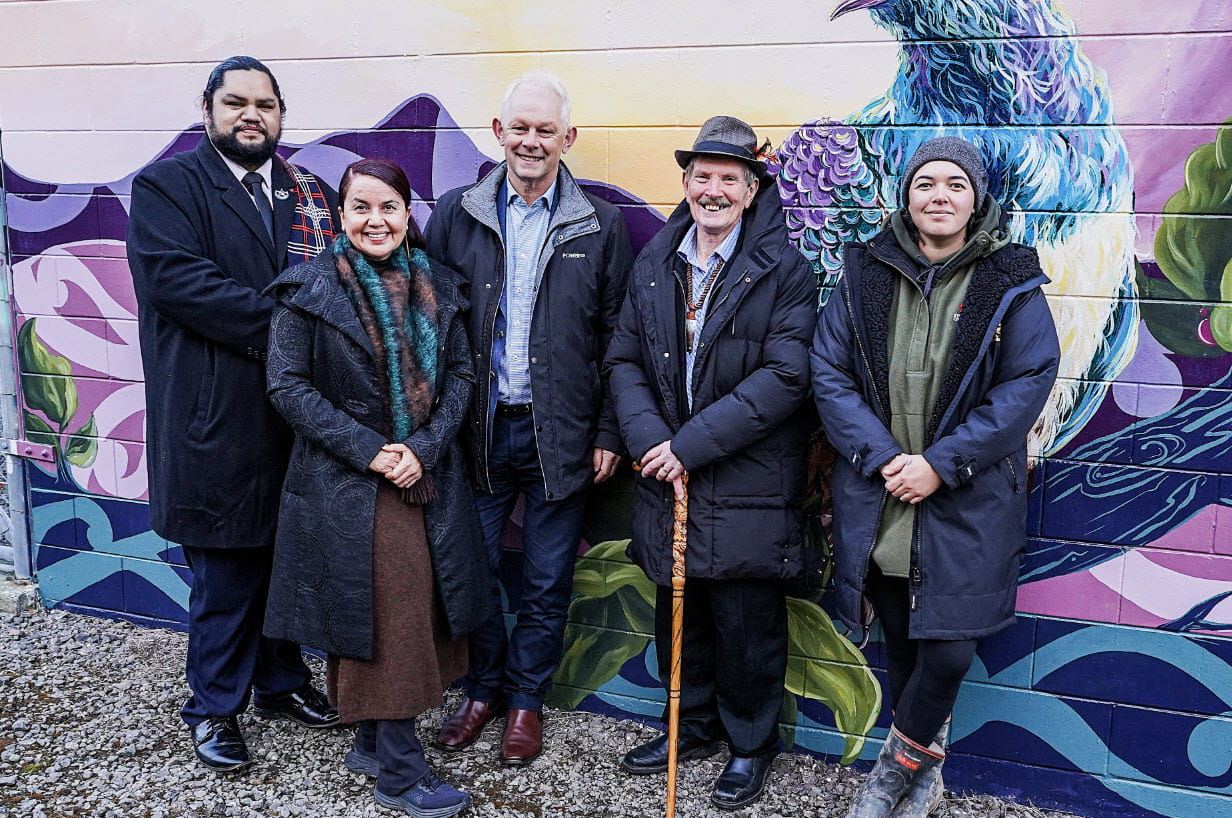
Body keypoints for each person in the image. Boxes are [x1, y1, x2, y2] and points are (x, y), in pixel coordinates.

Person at [810, 137, 1060, 818]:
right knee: (903, 646)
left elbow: (1027, 382)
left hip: (967, 498)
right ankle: (925, 778)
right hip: (883, 492)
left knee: (948, 654)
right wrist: (884, 459)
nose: (939, 196)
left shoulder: (1010, 279)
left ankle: (887, 778)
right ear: (907, 196)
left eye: (955, 184)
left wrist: (940, 465)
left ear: (976, 201)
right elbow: (828, 371)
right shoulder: (864, 272)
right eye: (925, 183)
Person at [127, 55, 339, 772]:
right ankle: (214, 708)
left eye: (266, 105)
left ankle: (280, 683)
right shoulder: (168, 186)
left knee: (285, 561)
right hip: (214, 416)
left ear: (281, 116)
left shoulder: (308, 195)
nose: (252, 115)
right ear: (208, 109)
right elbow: (180, 284)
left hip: (294, 420)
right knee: (225, 574)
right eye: (236, 102)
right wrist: (295, 332)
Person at [262, 158, 492, 817]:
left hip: (426, 477)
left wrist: (423, 448)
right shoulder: (306, 290)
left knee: (417, 612)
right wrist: (372, 451)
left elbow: (461, 377)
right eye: (361, 206)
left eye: (388, 206)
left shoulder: (438, 286)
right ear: (341, 215)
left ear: (407, 212)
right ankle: (399, 773)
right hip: (348, 485)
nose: (375, 220)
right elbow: (286, 386)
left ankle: (370, 741)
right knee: (391, 621)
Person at [606, 116, 819, 811]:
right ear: (686, 182)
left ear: (753, 190)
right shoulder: (656, 261)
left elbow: (786, 377)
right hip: (667, 469)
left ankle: (751, 745)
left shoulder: (785, 270)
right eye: (703, 175)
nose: (714, 189)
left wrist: (686, 447)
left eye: (730, 177)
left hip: (746, 480)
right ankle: (688, 726)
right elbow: (624, 359)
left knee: (747, 625)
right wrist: (651, 441)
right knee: (680, 609)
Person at [424, 72, 633, 765]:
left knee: (546, 581)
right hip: (477, 432)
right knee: (473, 569)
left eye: (546, 130)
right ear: (499, 132)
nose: (532, 141)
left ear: (568, 138)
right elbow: (428, 323)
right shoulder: (456, 215)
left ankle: (525, 703)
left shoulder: (600, 225)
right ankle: (482, 688)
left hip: (561, 436)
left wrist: (608, 432)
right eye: (520, 127)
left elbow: (618, 338)